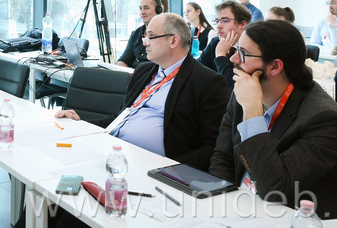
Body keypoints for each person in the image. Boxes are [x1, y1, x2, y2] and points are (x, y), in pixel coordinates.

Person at [209, 20, 337, 227]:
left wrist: (252, 112)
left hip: (298, 219)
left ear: (275, 66)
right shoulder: (243, 92)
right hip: (243, 209)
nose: (233, 59)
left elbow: (275, 189)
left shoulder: (325, 119)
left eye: (243, 53)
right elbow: (222, 157)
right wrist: (221, 204)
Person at [57, 13, 228, 171]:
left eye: (151, 36)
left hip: (157, 168)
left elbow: (212, 145)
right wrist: (82, 123)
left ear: (173, 41)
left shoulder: (206, 81)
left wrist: (170, 170)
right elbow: (121, 118)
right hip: (115, 152)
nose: (145, 42)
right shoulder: (143, 71)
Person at [198, 0, 252, 91]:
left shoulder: (251, 50)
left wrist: (220, 56)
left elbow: (234, 89)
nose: (218, 26)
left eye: (225, 21)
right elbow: (196, 71)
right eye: (217, 21)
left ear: (242, 24)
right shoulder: (216, 43)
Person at [116, 0, 161, 68]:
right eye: (140, 9)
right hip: (133, 73)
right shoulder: (136, 33)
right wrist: (116, 71)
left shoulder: (164, 34)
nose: (142, 12)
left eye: (146, 8)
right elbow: (125, 60)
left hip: (150, 73)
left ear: (158, 10)